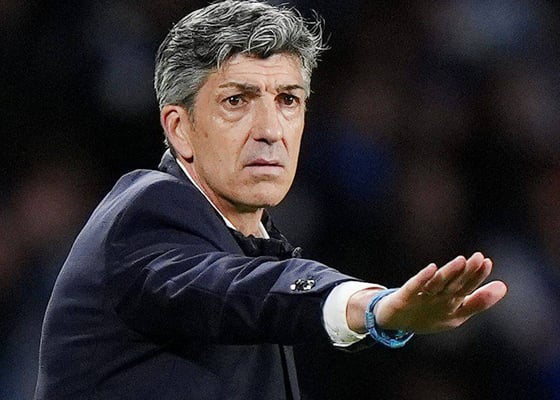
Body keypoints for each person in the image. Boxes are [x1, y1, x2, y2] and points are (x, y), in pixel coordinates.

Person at [34, 1, 507, 399]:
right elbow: (237, 289)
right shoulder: (145, 213)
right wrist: (370, 306)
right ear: (179, 129)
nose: (270, 130)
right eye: (236, 101)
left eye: (287, 100)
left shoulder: (251, 240)